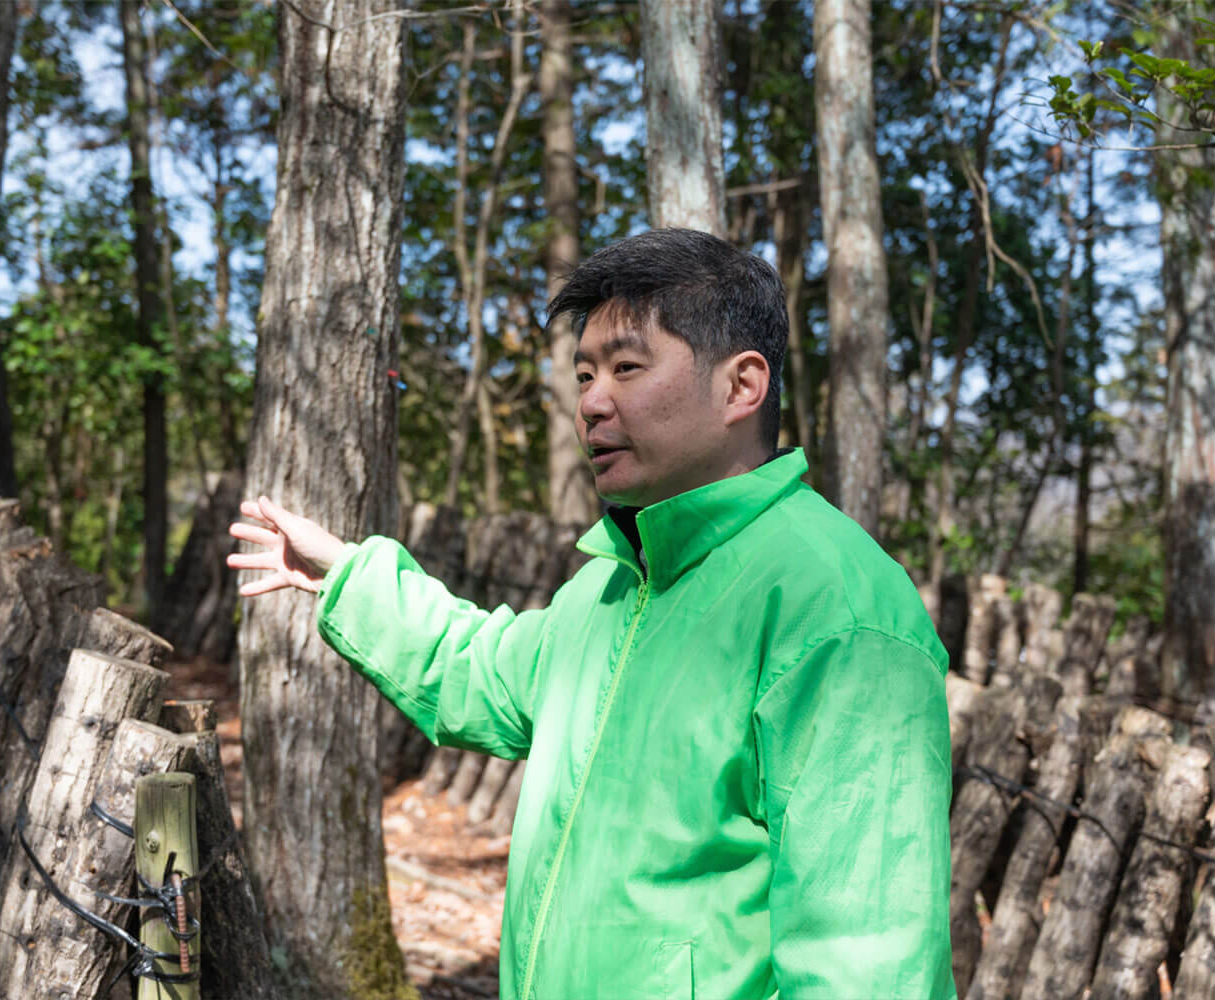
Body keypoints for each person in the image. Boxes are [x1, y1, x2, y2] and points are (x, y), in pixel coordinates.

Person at [228, 228, 956, 1000]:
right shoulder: (616, 584)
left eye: (626, 368)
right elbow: (481, 672)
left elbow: (869, 959)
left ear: (742, 387)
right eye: (583, 374)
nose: (590, 403)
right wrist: (348, 572)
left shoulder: (838, 609)